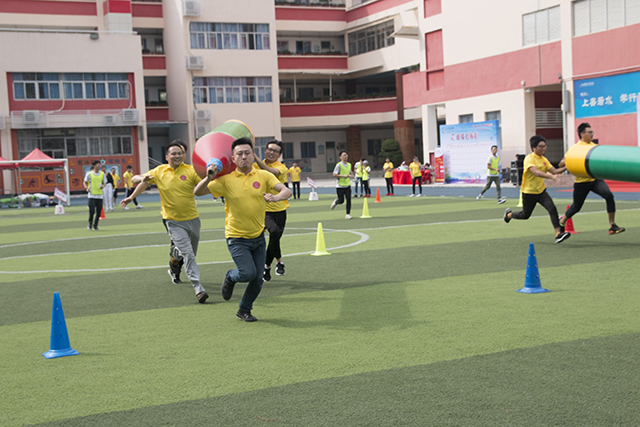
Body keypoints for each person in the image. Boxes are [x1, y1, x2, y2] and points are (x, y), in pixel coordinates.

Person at [194, 137, 291, 322]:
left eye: (248, 153)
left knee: (258, 279)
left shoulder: (263, 175)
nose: (244, 157)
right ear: (233, 158)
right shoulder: (225, 180)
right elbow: (197, 192)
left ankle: (244, 309)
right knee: (247, 273)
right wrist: (209, 177)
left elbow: (286, 190)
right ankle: (230, 277)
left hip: (258, 236)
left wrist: (276, 197)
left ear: (253, 156)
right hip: (236, 237)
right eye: (240, 154)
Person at [121, 141, 209, 304]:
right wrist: (132, 196)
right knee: (189, 254)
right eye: (173, 153)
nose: (177, 156)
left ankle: (176, 253)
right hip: (173, 221)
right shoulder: (159, 171)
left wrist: (213, 180)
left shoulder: (190, 170)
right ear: (167, 156)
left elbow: (203, 187)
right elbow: (136, 179)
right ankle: (198, 288)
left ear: (183, 155)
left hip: (193, 219)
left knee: (190, 253)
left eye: (179, 153)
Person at [558, 123, 625, 235]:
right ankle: (563, 220)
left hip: (595, 179)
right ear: (582, 134)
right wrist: (573, 160)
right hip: (581, 182)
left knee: (609, 195)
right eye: (590, 132)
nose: (592, 134)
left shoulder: (594, 147)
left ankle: (612, 226)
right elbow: (561, 164)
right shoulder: (575, 148)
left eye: (592, 132)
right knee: (576, 207)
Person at [503, 135, 571, 244]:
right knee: (525, 215)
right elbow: (535, 172)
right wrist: (551, 177)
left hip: (541, 192)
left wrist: (568, 166)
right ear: (533, 148)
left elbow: (555, 171)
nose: (544, 148)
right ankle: (509, 215)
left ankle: (558, 234)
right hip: (529, 193)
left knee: (552, 208)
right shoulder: (529, 158)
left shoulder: (544, 159)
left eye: (545, 146)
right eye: (541, 146)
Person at [253, 140, 290, 282]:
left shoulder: (281, 167)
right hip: (264, 210)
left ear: (279, 155)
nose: (271, 152)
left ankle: (270, 265)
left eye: (275, 151)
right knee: (274, 232)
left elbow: (270, 172)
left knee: (275, 238)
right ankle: (272, 264)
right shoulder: (256, 164)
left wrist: (255, 156)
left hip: (280, 209)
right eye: (269, 149)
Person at [330, 150, 354, 219]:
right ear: (340, 157)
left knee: (349, 199)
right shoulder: (339, 165)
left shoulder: (349, 164)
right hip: (340, 185)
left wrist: (353, 176)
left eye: (346, 155)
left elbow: (350, 173)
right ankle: (336, 202)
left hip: (347, 185)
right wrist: (343, 176)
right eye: (344, 155)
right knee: (341, 200)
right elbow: (334, 174)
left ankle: (347, 214)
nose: (346, 156)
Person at [84, 160, 106, 230]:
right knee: (92, 211)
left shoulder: (102, 174)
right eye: (98, 164)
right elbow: (84, 182)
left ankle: (95, 225)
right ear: (94, 166)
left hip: (99, 195)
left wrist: (103, 186)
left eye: (100, 164)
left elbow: (105, 183)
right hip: (92, 195)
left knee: (99, 212)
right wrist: (86, 188)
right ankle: (90, 223)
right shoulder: (89, 174)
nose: (99, 166)